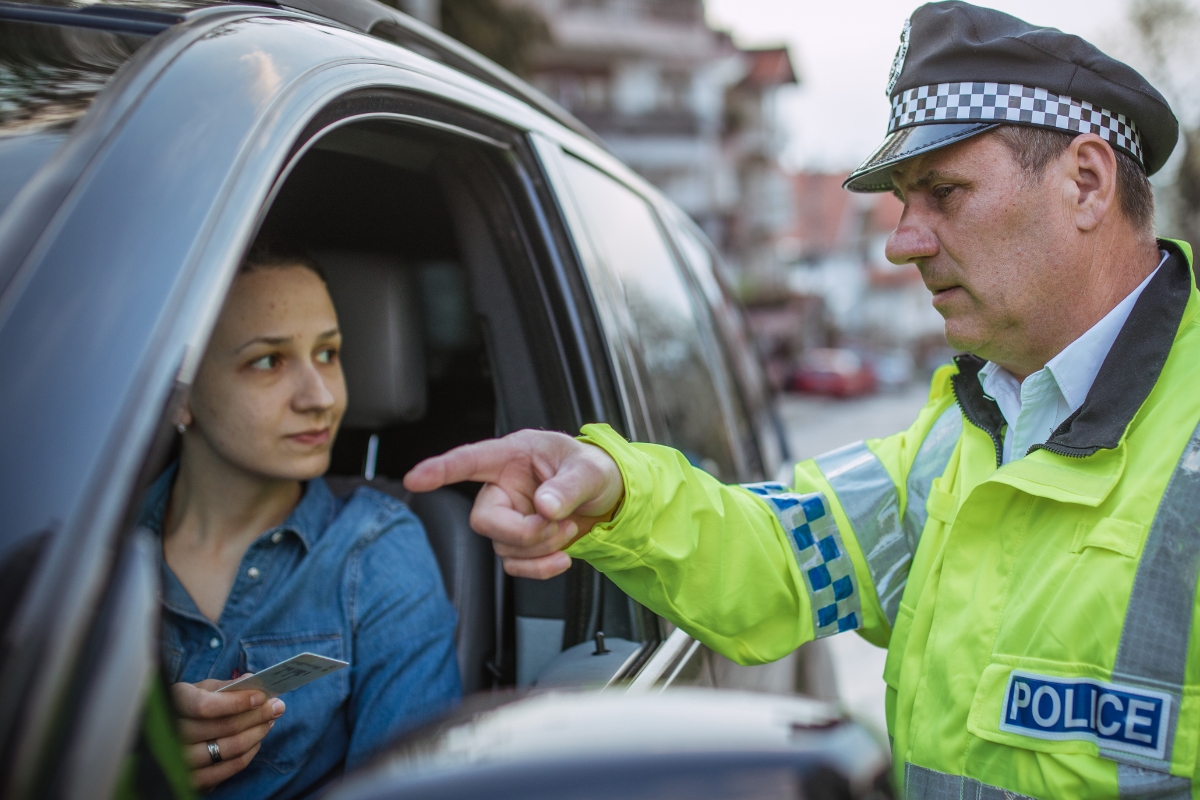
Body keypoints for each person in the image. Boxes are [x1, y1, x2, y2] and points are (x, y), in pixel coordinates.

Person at [403, 3, 1199, 798]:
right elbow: (785, 553)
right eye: (902, 201)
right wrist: (614, 493)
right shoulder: (969, 432)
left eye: (944, 193)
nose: (901, 240)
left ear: (1086, 184)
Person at [140, 248, 460, 798]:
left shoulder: (376, 553)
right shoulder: (83, 549)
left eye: (328, 353)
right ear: (178, 396)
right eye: (268, 361)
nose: (321, 398)